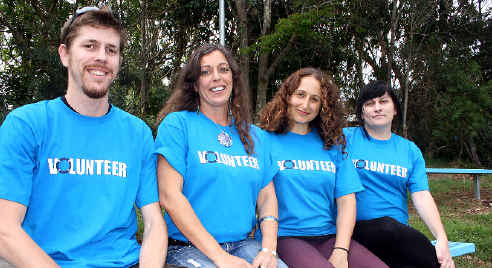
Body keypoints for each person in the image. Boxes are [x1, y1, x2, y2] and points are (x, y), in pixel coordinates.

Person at [0, 6, 167, 268]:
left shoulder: (137, 133)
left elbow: (153, 223)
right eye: (90, 46)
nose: (102, 57)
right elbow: (2, 229)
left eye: (111, 50)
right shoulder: (26, 125)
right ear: (64, 54)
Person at [155, 43, 287, 268]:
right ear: (195, 85)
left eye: (223, 69)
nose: (216, 77)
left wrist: (269, 249)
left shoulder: (255, 136)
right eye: (205, 72)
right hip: (187, 247)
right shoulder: (178, 125)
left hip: (244, 245)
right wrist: (220, 257)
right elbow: (170, 196)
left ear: (233, 79)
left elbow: (267, 198)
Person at [258, 67, 388, 268]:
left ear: (322, 106)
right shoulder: (264, 140)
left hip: (328, 236)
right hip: (285, 236)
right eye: (300, 95)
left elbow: (346, 201)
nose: (305, 104)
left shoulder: (332, 144)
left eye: (314, 99)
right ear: (287, 97)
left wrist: (341, 250)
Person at [344, 80, 455, 268]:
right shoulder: (345, 139)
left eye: (383, 101)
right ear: (362, 113)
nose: (377, 108)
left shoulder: (410, 150)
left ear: (395, 109)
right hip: (355, 233)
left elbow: (421, 196)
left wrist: (442, 238)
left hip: (397, 237)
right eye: (370, 104)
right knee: (387, 226)